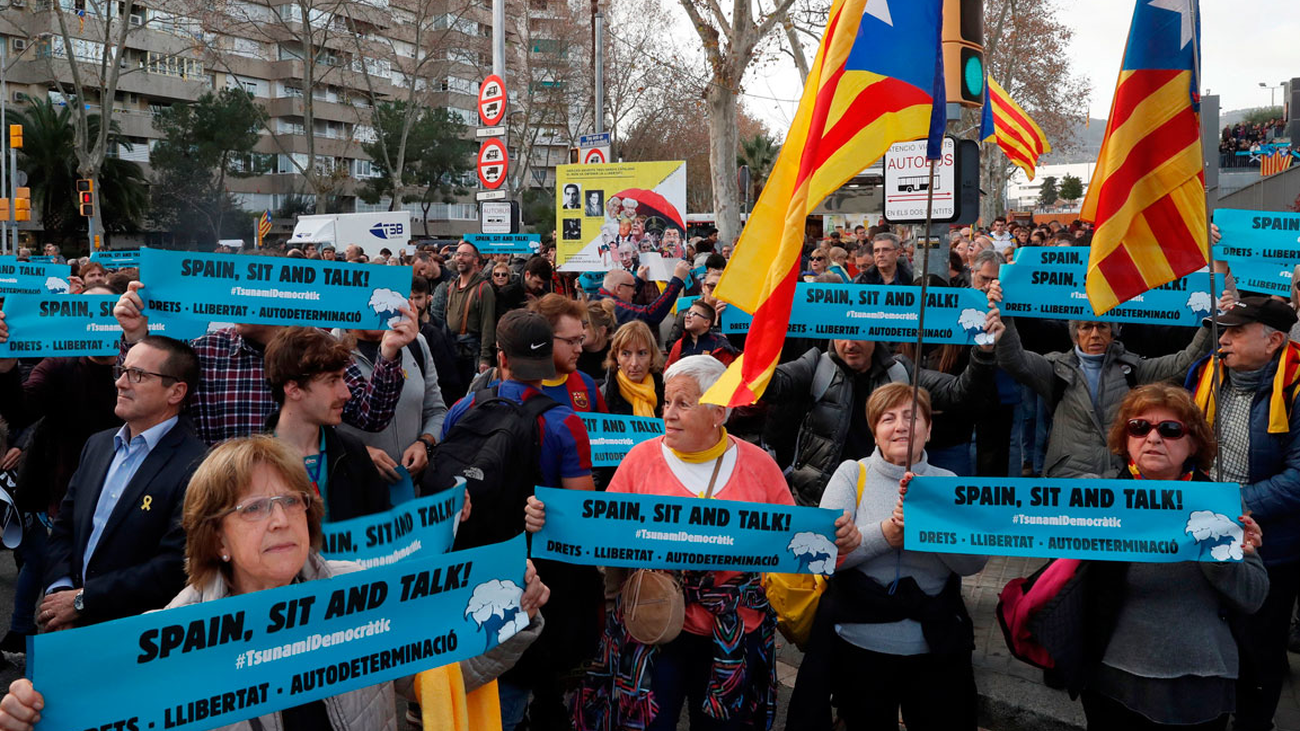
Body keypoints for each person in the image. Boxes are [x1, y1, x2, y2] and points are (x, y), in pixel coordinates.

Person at [0, 435, 550, 730]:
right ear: (215, 537)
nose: (282, 519)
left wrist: (515, 614)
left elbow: (446, 672)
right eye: (254, 508)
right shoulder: (166, 635)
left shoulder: (366, 594)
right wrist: (31, 718)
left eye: (291, 501)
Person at [529, 355, 861, 730]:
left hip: (733, 636)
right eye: (666, 402)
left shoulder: (759, 465)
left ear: (718, 412)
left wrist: (842, 543)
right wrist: (548, 521)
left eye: (683, 404)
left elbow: (798, 544)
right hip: (655, 629)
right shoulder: (640, 460)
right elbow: (599, 531)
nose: (668, 413)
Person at [1035, 384, 1268, 730]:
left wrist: (1221, 555)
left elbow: (1254, 597)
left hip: (1198, 680)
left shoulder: (1219, 504)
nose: (1153, 438)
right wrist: (925, 497)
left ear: (1193, 444)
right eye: (1139, 428)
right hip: (1111, 676)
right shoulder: (1100, 499)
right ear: (1126, 440)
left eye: (1170, 430)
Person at [787, 383, 988, 729]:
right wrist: (887, 534)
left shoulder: (949, 482)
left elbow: (972, 564)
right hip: (859, 648)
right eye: (888, 418)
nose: (900, 427)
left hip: (935, 652)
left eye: (912, 417)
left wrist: (930, 528)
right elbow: (820, 558)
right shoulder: (852, 474)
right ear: (875, 431)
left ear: (929, 429)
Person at [436, 310, 599, 731]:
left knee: (473, 679)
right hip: (534, 581)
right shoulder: (564, 424)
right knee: (516, 678)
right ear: (547, 360)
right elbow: (581, 517)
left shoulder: (463, 409)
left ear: (501, 358)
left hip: (468, 570)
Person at [111, 280, 417, 445]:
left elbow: (371, 417)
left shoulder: (320, 349)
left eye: (249, 293)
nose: (237, 301)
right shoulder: (205, 352)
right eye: (236, 291)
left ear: (277, 297)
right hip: (217, 500)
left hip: (296, 501)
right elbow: (146, 401)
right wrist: (137, 338)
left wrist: (388, 353)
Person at [1186, 297, 1300, 731]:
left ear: (1273, 341)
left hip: (1270, 544)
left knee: (1259, 646)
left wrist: (1232, 508)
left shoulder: (1296, 387)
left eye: (1235, 331)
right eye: (1222, 330)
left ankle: (1255, 722)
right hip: (1206, 531)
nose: (1224, 339)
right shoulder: (1205, 374)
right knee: (1213, 634)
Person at [39, 336, 207, 629]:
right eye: (122, 370)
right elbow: (64, 528)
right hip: (65, 624)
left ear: (176, 391)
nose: (120, 382)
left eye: (138, 375)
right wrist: (60, 591)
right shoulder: (98, 445)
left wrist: (84, 601)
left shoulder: (198, 465)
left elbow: (173, 566)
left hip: (132, 634)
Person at [762, 304, 1004, 505]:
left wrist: (984, 351)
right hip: (820, 499)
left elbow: (959, 393)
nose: (849, 343)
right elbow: (770, 385)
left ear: (876, 332)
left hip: (882, 497)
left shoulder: (900, 372)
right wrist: (754, 332)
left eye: (859, 333)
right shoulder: (816, 365)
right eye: (841, 333)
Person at [992, 280, 1213, 478]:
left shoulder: (1134, 369)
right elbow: (1015, 361)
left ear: (1113, 332)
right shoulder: (1055, 370)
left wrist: (1210, 321)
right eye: (1086, 327)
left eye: (1102, 326)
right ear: (1075, 333)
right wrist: (1004, 316)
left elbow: (1183, 363)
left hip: (1119, 478)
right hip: (1068, 477)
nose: (1095, 334)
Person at [262, 327, 391, 522]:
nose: (346, 394)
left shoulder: (353, 453)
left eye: (343, 379)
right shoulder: (251, 464)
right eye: (333, 381)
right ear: (293, 389)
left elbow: (381, 531)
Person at [336, 322, 446, 485]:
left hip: (410, 492)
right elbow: (314, 429)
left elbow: (437, 411)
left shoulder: (416, 343)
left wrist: (425, 443)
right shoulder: (328, 348)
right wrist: (357, 453)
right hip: (356, 491)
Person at [441, 241, 497, 384]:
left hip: (472, 354)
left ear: (475, 260)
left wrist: (485, 358)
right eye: (458, 254)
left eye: (465, 255)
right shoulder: (452, 286)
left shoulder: (483, 289)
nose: (460, 258)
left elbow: (488, 325)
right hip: (452, 352)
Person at [596, 260, 690, 330]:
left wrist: (639, 281)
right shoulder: (610, 306)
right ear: (619, 289)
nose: (635, 292)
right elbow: (650, 315)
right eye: (633, 287)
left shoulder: (598, 297)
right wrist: (676, 282)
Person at [602, 320, 665, 418]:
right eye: (626, 354)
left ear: (652, 355)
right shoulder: (602, 397)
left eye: (642, 353)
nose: (634, 363)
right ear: (617, 356)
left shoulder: (667, 396)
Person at [666, 302, 736, 368]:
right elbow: (668, 371)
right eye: (688, 313)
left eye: (693, 314)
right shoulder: (680, 344)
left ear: (706, 322)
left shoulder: (719, 346)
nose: (687, 317)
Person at [579, 299, 617, 384]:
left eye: (584, 327)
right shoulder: (574, 352)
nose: (578, 331)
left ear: (602, 330)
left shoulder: (616, 353)